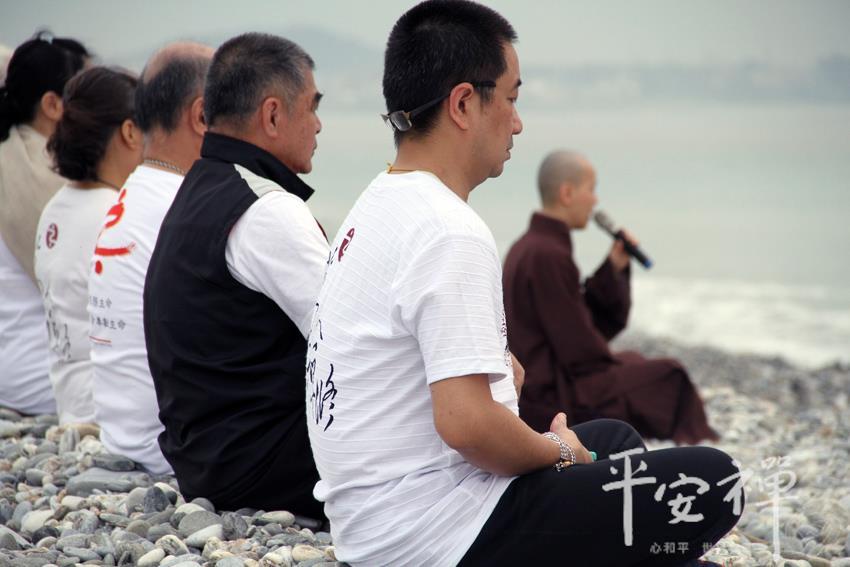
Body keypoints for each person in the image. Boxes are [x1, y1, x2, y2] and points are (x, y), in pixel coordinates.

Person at [306, 2, 740, 565]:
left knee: (614, 442)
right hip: (434, 534)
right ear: (464, 103)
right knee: (714, 479)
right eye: (511, 98)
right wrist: (557, 449)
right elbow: (467, 425)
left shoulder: (379, 201)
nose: (517, 122)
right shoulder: (448, 228)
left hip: (370, 523)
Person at [143, 33, 328, 516]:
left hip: (208, 459)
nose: (318, 124)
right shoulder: (265, 209)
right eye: (312, 106)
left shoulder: (201, 187)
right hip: (262, 469)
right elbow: (354, 339)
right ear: (273, 115)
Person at [503, 150, 718, 444]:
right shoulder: (548, 254)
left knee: (634, 361)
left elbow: (575, 322)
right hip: (550, 400)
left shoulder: (529, 246)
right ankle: (702, 449)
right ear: (567, 193)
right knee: (670, 374)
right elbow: (580, 351)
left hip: (538, 388)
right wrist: (618, 366)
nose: (595, 201)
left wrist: (612, 268)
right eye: (591, 190)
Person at [88, 42, 213, 475]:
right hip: (170, 448)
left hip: (122, 433)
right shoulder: (185, 208)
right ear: (201, 116)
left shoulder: (135, 194)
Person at [34, 67, 142, 424]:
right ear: (129, 132)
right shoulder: (116, 215)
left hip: (69, 398)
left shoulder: (54, 208)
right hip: (111, 408)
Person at [0, 31, 89, 415]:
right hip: (42, 376)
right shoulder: (51, 176)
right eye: (82, 96)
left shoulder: (10, 156)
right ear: (52, 105)